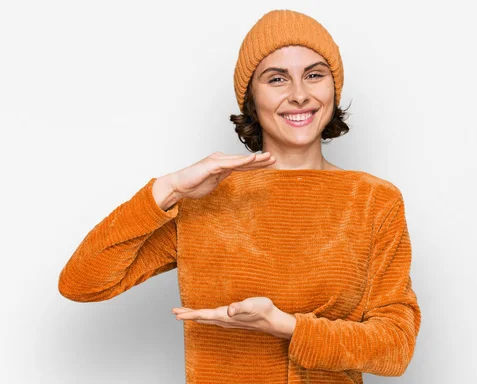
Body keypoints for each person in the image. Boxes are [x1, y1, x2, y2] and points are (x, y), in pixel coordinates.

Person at [58, 9, 421, 384]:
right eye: (277, 79)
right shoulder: (207, 197)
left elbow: (396, 346)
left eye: (314, 75)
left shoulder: (374, 200)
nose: (299, 95)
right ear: (251, 96)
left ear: (334, 87)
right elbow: (82, 283)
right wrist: (168, 188)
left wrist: (287, 326)